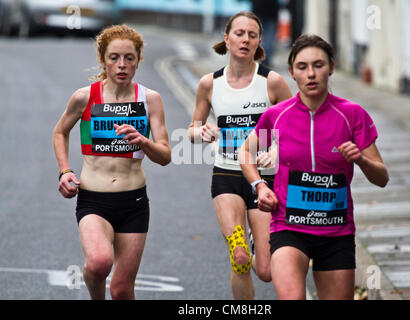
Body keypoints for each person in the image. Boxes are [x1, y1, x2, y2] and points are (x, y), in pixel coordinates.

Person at [239, 34, 389, 300]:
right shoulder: (276, 116)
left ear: (331, 67)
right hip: (289, 225)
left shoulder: (352, 114)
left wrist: (362, 160)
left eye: (318, 65)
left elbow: (382, 177)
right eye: (302, 67)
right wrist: (260, 186)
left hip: (336, 230)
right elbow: (246, 153)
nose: (311, 74)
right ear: (292, 72)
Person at [53, 24, 171, 300]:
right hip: (94, 199)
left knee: (121, 289)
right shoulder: (85, 97)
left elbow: (165, 156)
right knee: (99, 262)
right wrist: (64, 170)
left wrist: (144, 142)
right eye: (114, 58)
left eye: (129, 58)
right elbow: (60, 131)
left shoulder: (150, 100)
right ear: (103, 60)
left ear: (138, 61)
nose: (121, 65)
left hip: (134, 203)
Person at [189, 11, 292, 300]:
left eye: (251, 34)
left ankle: (258, 244)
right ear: (227, 38)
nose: (245, 39)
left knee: (265, 270)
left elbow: (292, 127)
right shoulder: (210, 84)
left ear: (260, 41)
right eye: (239, 33)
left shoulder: (272, 82)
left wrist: (274, 150)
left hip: (264, 178)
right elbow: (192, 129)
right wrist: (201, 133)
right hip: (226, 174)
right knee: (239, 257)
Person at [251, 0, 279, 67]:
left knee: (259, 34)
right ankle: (266, 57)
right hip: (271, 10)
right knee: (270, 35)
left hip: (258, 9)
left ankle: (261, 56)